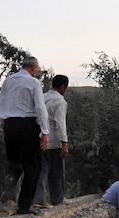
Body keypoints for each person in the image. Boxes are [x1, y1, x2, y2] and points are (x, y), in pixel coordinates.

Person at [0, 56, 50, 215]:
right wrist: (45, 132)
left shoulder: (8, 81)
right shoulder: (33, 82)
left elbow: (2, 103)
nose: (38, 71)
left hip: (9, 124)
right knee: (33, 167)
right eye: (38, 68)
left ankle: (10, 186)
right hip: (26, 124)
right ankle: (24, 205)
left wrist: (3, 127)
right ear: (33, 68)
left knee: (14, 162)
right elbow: (40, 107)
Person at [33, 74, 69, 208]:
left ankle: (38, 198)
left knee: (42, 170)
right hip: (53, 141)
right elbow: (60, 123)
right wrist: (64, 143)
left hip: (40, 138)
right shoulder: (60, 101)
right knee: (57, 171)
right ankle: (57, 198)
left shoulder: (42, 97)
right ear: (63, 87)